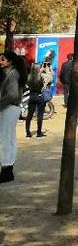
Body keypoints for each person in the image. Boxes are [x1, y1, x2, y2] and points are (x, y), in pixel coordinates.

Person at [0, 51, 26, 182]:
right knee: (9, 139)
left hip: (9, 109)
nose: (0, 62)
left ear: (10, 61)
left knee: (5, 139)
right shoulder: (12, 74)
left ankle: (7, 170)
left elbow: (12, 95)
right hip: (12, 109)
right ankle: (7, 168)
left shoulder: (12, 75)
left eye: (3, 59)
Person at [25, 59, 50, 138]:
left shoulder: (29, 77)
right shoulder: (40, 78)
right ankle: (39, 132)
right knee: (40, 115)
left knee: (29, 115)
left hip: (32, 96)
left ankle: (28, 132)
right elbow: (46, 84)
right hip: (39, 96)